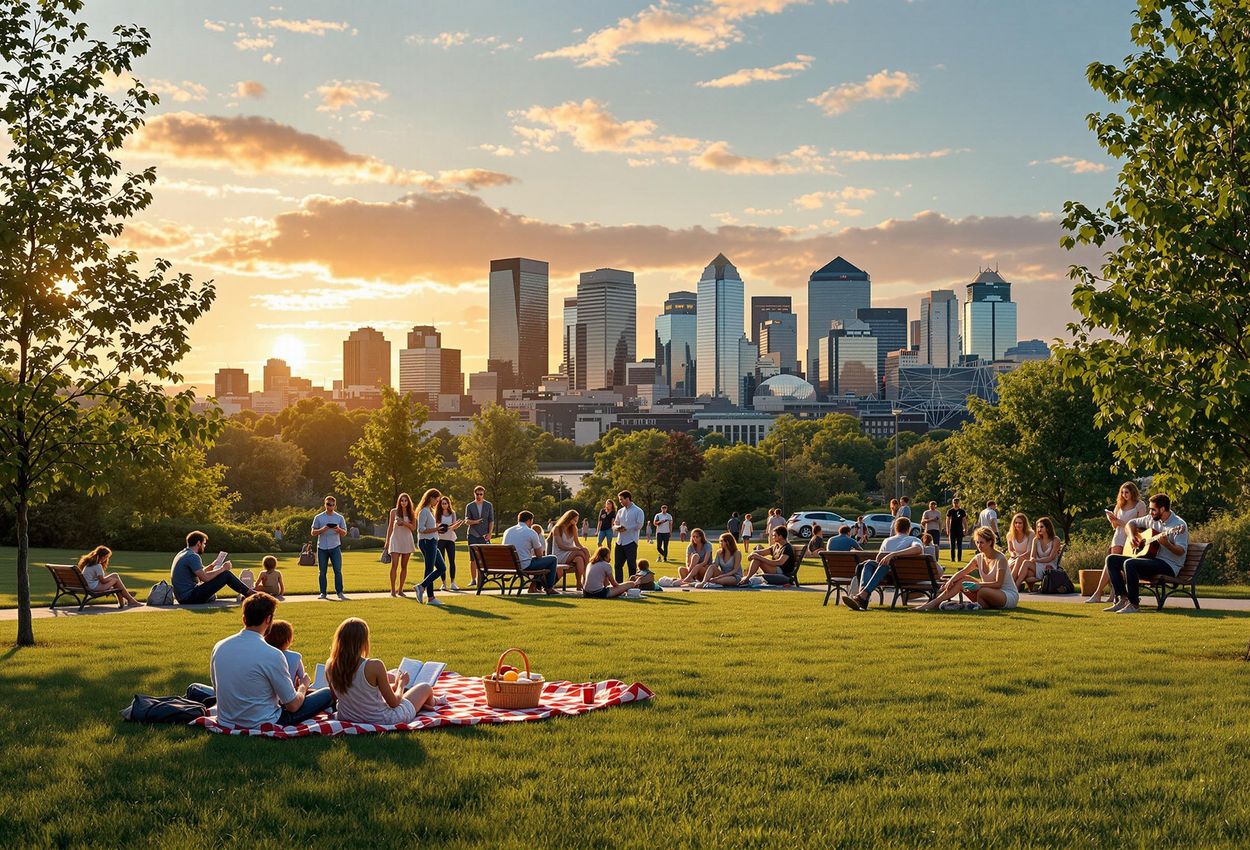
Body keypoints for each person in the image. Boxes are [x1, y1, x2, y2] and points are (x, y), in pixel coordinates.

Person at [185, 593, 334, 727]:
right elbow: (292, 706)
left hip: (226, 718)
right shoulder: (273, 654)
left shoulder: (220, 646)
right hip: (263, 721)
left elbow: (219, 690)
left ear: (244, 618)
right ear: (268, 619)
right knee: (327, 693)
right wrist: (303, 686)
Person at [327, 617, 436, 725]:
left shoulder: (330, 665)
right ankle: (431, 703)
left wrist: (395, 686)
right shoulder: (374, 665)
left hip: (348, 716)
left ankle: (421, 704)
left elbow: (341, 696)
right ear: (363, 641)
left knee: (392, 678)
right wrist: (401, 684)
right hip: (381, 719)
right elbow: (394, 703)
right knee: (425, 687)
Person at [1102, 493, 1188, 614]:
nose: (1150, 512)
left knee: (1130, 563)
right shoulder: (1151, 519)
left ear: (1162, 509)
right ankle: (1122, 599)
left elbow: (1181, 551)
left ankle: (1134, 605)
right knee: (1111, 559)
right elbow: (1130, 524)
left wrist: (1167, 544)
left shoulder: (1178, 525)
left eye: (1153, 509)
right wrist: (1132, 537)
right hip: (1150, 561)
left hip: (1169, 565)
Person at [916, 526, 1018, 612]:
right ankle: (933, 603)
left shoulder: (1000, 558)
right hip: (988, 592)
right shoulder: (979, 557)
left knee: (982, 591)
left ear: (990, 542)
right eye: (977, 542)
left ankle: (966, 605)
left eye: (981, 542)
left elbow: (998, 584)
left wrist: (978, 585)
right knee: (963, 580)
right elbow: (963, 571)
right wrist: (951, 581)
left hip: (1006, 595)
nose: (979, 546)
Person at [840, 516, 924, 611]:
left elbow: (879, 558)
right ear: (909, 529)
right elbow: (918, 548)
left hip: (889, 575)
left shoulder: (887, 541)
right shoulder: (913, 539)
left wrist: (892, 554)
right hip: (902, 575)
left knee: (881, 565)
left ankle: (862, 596)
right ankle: (862, 597)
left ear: (896, 529)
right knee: (869, 564)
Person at [1087, 481, 1148, 603]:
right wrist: (1112, 520)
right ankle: (1105, 593)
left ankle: (1106, 594)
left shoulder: (1140, 505)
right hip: (1118, 536)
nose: (1124, 495)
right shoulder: (1119, 505)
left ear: (1133, 492)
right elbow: (1115, 526)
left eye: (1127, 492)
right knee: (1110, 563)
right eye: (1122, 492)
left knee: (1119, 566)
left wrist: (1120, 522)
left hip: (1131, 537)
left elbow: (1141, 526)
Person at [170, 530, 254, 605]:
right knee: (226, 574)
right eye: (204, 543)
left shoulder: (182, 553)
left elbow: (201, 573)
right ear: (199, 543)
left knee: (215, 588)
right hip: (189, 597)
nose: (204, 546)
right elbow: (204, 578)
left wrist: (212, 565)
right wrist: (223, 569)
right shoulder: (193, 556)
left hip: (182, 597)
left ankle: (247, 592)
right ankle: (250, 593)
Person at [502, 511, 560, 595]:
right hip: (524, 565)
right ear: (529, 520)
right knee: (553, 559)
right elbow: (539, 555)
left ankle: (533, 587)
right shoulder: (531, 532)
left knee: (536, 561)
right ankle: (549, 587)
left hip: (509, 564)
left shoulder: (507, 531)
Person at [413, 488, 447, 605]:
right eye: (436, 500)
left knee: (442, 568)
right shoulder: (424, 511)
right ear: (431, 498)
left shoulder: (430, 511)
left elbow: (433, 529)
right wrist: (436, 529)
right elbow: (421, 529)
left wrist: (441, 529)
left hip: (433, 541)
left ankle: (423, 589)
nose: (437, 503)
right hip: (427, 542)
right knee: (429, 569)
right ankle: (429, 595)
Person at [77, 546, 142, 607]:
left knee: (115, 575)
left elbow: (100, 580)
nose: (106, 559)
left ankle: (126, 599)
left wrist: (111, 580)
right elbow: (103, 581)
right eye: (106, 557)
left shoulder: (89, 564)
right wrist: (112, 580)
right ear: (102, 556)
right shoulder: (97, 565)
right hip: (94, 587)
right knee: (116, 580)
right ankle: (130, 599)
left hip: (89, 586)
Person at [311, 495, 348, 600]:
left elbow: (344, 533)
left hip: (335, 546)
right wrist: (324, 528)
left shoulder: (339, 517)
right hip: (322, 547)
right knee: (322, 571)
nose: (330, 506)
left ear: (335, 505)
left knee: (338, 570)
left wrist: (338, 529)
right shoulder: (318, 517)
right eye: (328, 504)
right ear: (325, 504)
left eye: (332, 504)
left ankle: (340, 592)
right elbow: (313, 532)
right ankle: (323, 593)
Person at [384, 492, 417, 597]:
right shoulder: (393, 512)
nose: (403, 502)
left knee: (404, 566)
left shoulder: (412, 513)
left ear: (408, 502)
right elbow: (390, 527)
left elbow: (413, 528)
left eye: (405, 500)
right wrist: (387, 541)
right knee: (394, 565)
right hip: (395, 540)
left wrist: (404, 523)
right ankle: (392, 590)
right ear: (399, 501)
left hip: (407, 540)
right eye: (402, 500)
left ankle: (400, 590)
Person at [263, 619, 308, 689]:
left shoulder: (264, 656)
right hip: (290, 696)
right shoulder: (295, 657)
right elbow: (302, 678)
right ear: (289, 639)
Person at [551, 509, 590, 591]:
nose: (576, 522)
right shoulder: (557, 529)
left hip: (571, 553)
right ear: (569, 518)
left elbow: (577, 543)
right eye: (575, 520)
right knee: (580, 553)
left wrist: (583, 548)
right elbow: (561, 546)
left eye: (577, 520)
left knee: (581, 557)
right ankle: (586, 578)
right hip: (560, 554)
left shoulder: (573, 528)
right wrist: (574, 549)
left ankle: (579, 584)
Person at [464, 485, 494, 587]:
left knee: (482, 558)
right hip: (472, 534)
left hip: (484, 535)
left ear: (483, 494)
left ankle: (481, 578)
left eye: (481, 494)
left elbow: (491, 520)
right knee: (472, 558)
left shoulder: (488, 505)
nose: (479, 496)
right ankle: (473, 580)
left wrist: (490, 534)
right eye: (477, 494)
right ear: (474, 494)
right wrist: (475, 521)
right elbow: (466, 521)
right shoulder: (470, 506)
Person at [613, 490, 645, 582]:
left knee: (631, 566)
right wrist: (618, 527)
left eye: (621, 499)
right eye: (619, 500)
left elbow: (639, 525)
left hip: (631, 542)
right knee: (617, 565)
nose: (620, 501)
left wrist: (626, 528)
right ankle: (618, 586)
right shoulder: (620, 511)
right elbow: (615, 525)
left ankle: (632, 586)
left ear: (627, 498)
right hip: (619, 542)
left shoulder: (638, 511)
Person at [435, 495, 466, 592]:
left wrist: (456, 525)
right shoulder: (437, 514)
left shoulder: (452, 513)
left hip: (450, 539)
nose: (444, 505)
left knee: (452, 561)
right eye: (442, 503)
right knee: (442, 561)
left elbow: (453, 527)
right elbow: (439, 527)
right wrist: (448, 527)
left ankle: (453, 582)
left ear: (448, 504)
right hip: (440, 539)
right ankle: (443, 583)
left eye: (446, 503)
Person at [1003, 512, 1035, 590]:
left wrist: (1018, 557)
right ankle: (1011, 586)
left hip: (1027, 558)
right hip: (1014, 558)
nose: (1017, 525)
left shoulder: (1030, 534)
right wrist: (1013, 554)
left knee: (1018, 561)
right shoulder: (1010, 535)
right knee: (1011, 564)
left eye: (1020, 523)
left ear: (1024, 524)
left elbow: (1030, 551)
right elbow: (1010, 549)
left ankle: (1010, 586)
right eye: (1016, 523)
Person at [1029, 517, 1061, 589]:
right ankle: (1016, 585)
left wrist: (1036, 560)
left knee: (1028, 575)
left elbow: (1051, 558)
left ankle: (1016, 587)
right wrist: (1034, 560)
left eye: (1041, 527)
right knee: (1026, 566)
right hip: (1038, 564)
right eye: (1037, 527)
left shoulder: (1055, 539)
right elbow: (1032, 557)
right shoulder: (1036, 540)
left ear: (1047, 528)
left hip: (1049, 566)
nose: (1039, 529)